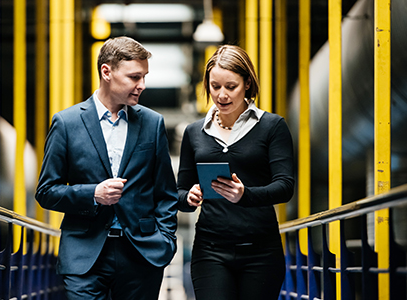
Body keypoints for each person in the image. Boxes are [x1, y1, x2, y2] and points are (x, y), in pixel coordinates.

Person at [35, 36, 178, 300]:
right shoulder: (66, 124)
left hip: (141, 254)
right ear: (106, 72)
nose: (142, 85)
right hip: (84, 255)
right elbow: (46, 191)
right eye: (135, 77)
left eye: (144, 77)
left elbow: (166, 193)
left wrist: (165, 240)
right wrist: (93, 194)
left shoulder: (152, 123)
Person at [177, 44, 294, 300]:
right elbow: (179, 191)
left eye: (231, 87)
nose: (221, 95)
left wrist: (245, 195)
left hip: (261, 251)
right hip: (210, 251)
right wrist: (189, 197)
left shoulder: (272, 127)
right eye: (215, 86)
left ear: (248, 84)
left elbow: (285, 186)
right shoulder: (194, 132)